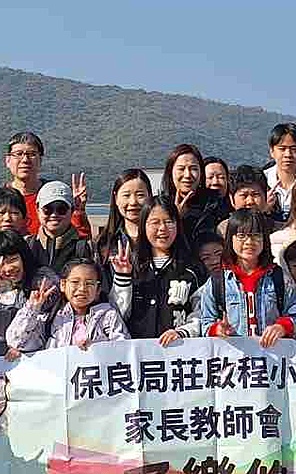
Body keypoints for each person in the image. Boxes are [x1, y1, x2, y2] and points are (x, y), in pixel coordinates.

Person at [174, 212, 296, 349]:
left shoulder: (279, 277)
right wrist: (217, 329)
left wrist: (282, 327)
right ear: (231, 239)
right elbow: (205, 323)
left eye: (256, 235)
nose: (249, 242)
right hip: (234, 357)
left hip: (272, 356)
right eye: (241, 236)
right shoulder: (218, 281)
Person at [113, 199, 203, 341]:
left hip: (180, 349)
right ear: (143, 226)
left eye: (168, 222)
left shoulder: (192, 268)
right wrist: (122, 277)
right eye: (155, 222)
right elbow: (116, 314)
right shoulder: (132, 266)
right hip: (138, 350)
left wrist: (183, 332)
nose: (162, 228)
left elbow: (202, 311)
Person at [5, 255, 130, 355]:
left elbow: (125, 349)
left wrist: (96, 348)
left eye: (89, 283)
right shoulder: (51, 317)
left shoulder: (108, 316)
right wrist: (32, 309)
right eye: (75, 282)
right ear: (63, 285)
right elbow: (17, 341)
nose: (82, 288)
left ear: (98, 290)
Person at [4, 131, 92, 238]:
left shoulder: (55, 195)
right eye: (18, 154)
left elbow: (80, 238)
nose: (25, 160)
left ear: (40, 160)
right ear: (8, 161)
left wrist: (78, 211)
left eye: (32, 154)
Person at [162, 143, 228, 254]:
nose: (187, 175)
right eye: (181, 169)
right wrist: (174, 218)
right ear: (170, 172)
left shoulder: (216, 203)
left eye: (193, 169)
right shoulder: (160, 205)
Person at [94, 169, 155, 279]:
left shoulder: (160, 238)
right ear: (116, 198)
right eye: (126, 195)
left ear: (149, 196)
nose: (133, 202)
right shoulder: (103, 243)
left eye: (140, 195)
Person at [31, 179, 96, 274]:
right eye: (47, 209)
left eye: (61, 209)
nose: (54, 214)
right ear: (37, 209)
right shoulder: (27, 245)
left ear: (72, 210)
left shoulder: (86, 248)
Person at [264, 122, 296, 218]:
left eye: (294, 149)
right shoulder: (262, 181)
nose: (288, 154)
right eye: (282, 149)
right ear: (272, 151)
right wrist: (262, 207)